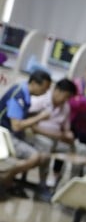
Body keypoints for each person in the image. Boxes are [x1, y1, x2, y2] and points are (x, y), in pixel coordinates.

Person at [0, 70, 53, 198]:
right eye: (44, 88)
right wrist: (39, 117)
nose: (45, 92)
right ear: (34, 83)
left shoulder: (24, 93)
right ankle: (5, 179)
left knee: (45, 152)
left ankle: (41, 186)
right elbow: (16, 125)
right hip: (4, 134)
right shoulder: (18, 96)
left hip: (13, 133)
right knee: (34, 157)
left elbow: (18, 118)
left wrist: (35, 115)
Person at [29, 78, 79, 188]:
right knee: (47, 144)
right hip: (37, 136)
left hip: (56, 138)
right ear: (57, 90)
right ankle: (42, 184)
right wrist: (54, 135)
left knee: (74, 149)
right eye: (65, 96)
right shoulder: (40, 100)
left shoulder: (66, 107)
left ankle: (61, 184)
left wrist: (69, 135)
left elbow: (66, 128)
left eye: (68, 98)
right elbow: (31, 127)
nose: (65, 100)